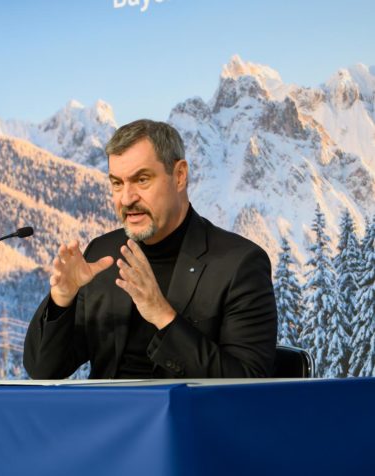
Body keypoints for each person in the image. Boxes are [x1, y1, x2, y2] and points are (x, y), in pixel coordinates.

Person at [24, 119, 277, 379]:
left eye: (142, 180)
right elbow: (43, 370)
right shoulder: (103, 253)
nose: (127, 198)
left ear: (179, 176)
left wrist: (163, 316)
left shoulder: (239, 264)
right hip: (105, 407)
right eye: (117, 183)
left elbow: (249, 382)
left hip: (183, 407)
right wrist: (61, 300)